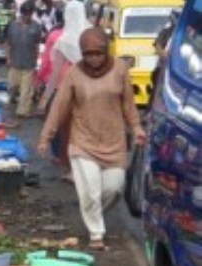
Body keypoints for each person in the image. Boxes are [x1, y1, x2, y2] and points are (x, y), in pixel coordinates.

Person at [37, 27, 146, 251]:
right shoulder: (74, 74)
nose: (94, 59)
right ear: (82, 54)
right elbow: (59, 107)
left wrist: (136, 127)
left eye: (98, 53)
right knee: (92, 190)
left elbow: (128, 103)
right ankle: (96, 233)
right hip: (82, 141)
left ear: (106, 51)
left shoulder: (120, 69)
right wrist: (45, 137)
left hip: (114, 142)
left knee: (114, 188)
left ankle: (91, 210)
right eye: (88, 54)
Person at [38, 0, 91, 181]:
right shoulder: (92, 36)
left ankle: (73, 171)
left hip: (68, 92)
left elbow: (54, 74)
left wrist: (46, 96)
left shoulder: (64, 41)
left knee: (68, 132)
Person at [5, 0, 42, 124]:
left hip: (29, 62)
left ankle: (22, 111)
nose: (27, 17)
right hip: (15, 61)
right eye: (25, 14)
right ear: (21, 13)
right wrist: (8, 58)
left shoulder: (36, 27)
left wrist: (36, 60)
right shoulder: (13, 25)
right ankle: (12, 101)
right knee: (12, 85)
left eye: (29, 14)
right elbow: (8, 43)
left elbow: (37, 45)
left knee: (26, 89)